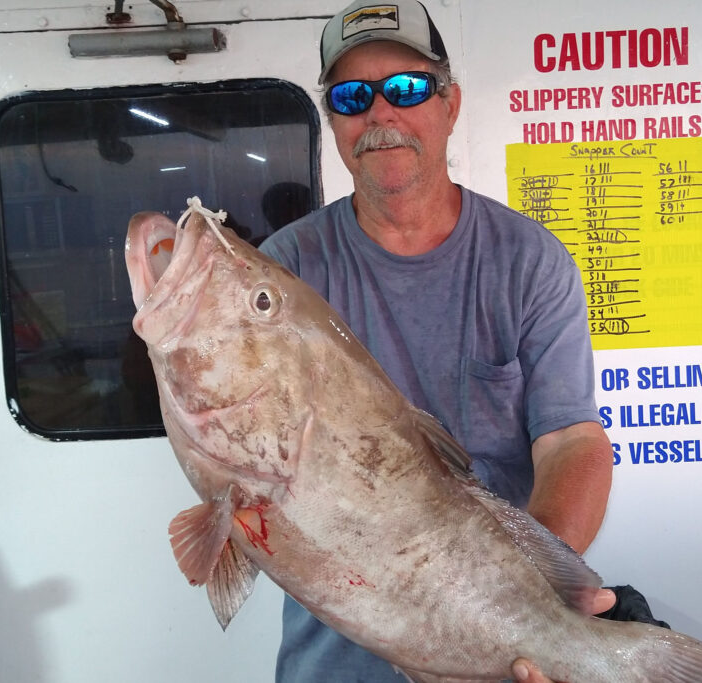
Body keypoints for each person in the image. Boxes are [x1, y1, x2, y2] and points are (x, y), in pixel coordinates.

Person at [258, 1, 616, 681]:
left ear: (449, 104)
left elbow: (572, 440)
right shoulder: (287, 273)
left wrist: (520, 594)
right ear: (334, 119)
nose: (381, 114)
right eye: (353, 96)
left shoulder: (528, 261)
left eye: (408, 88)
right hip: (337, 656)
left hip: (501, 647)